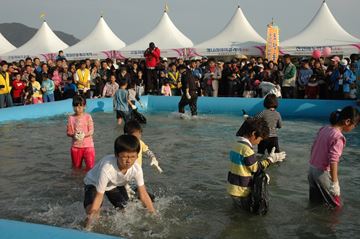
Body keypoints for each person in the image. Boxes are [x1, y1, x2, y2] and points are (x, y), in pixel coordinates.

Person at [83, 135, 155, 228]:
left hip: (114, 185)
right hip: (93, 183)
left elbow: (144, 194)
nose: (129, 161)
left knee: (125, 210)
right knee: (92, 213)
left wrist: (153, 214)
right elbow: (99, 195)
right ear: (116, 155)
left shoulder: (136, 169)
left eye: (133, 157)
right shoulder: (107, 168)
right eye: (125, 157)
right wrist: (92, 217)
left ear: (137, 155)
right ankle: (84, 229)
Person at [228, 118, 286, 211]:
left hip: (233, 188)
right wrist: (270, 160)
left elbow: (245, 167)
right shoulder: (247, 150)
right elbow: (255, 168)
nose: (259, 142)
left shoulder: (236, 145)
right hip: (242, 191)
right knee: (245, 214)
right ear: (254, 134)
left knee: (237, 211)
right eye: (260, 139)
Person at [308, 106, 359, 209]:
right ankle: (332, 224)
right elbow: (333, 160)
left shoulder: (324, 129)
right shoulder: (338, 137)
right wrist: (335, 183)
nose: (354, 128)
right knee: (336, 206)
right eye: (355, 125)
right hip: (322, 174)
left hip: (311, 170)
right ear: (348, 122)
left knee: (314, 204)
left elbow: (313, 147)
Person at [66, 95, 95, 171]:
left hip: (88, 146)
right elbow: (68, 132)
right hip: (76, 147)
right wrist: (74, 135)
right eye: (75, 106)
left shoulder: (88, 117)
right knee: (76, 168)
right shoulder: (71, 118)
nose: (77, 109)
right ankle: (77, 182)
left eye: (80, 106)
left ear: (84, 106)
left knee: (90, 168)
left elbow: (91, 131)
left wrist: (83, 135)